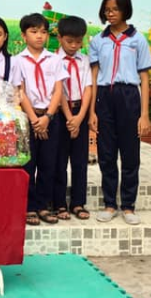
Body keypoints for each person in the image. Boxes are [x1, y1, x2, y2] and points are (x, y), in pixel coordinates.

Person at [89, 0, 151, 225]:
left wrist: (144, 114)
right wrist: (92, 111)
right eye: (107, 10)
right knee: (106, 154)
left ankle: (128, 206)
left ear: (125, 9)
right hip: (104, 96)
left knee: (130, 154)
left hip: (129, 96)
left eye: (115, 9)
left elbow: (144, 77)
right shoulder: (98, 41)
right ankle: (109, 204)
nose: (111, 13)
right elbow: (94, 76)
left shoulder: (138, 39)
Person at [14, 13, 68, 226]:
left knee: (48, 163)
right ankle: (28, 206)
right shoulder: (18, 61)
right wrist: (34, 120)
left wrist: (47, 117)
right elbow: (20, 91)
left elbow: (58, 90)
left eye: (43, 32)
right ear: (23, 35)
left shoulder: (55, 60)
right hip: (29, 117)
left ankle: (43, 205)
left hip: (50, 116)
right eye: (34, 31)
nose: (39, 36)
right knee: (29, 163)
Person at [55, 16, 93, 221]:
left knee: (80, 160)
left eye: (78, 42)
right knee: (59, 160)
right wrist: (70, 117)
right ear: (59, 37)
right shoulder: (53, 60)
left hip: (80, 110)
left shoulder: (84, 60)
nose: (73, 46)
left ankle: (78, 203)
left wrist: (79, 118)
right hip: (60, 112)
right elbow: (58, 90)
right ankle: (59, 203)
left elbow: (88, 88)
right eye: (69, 41)